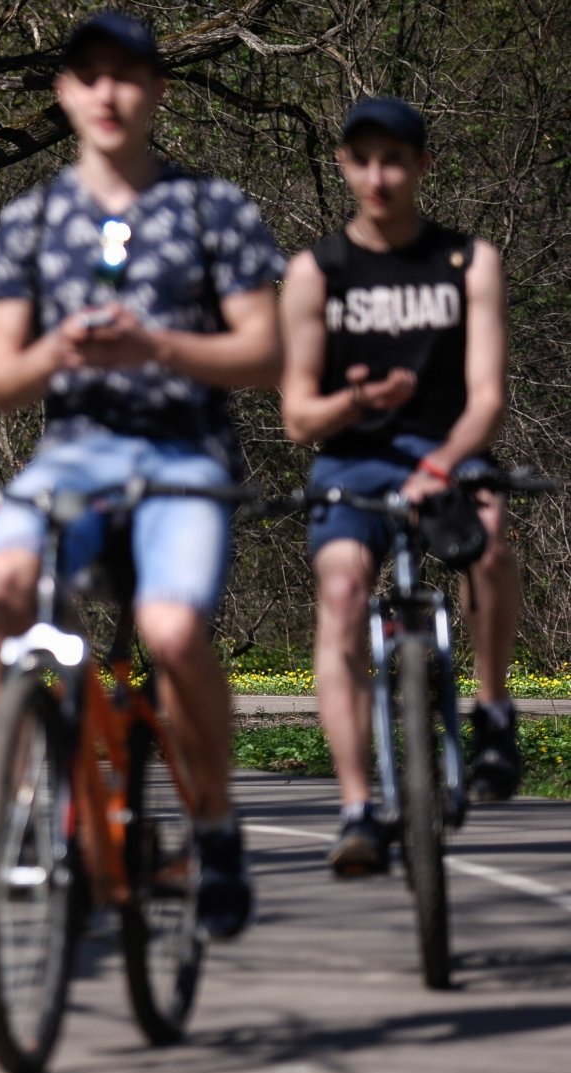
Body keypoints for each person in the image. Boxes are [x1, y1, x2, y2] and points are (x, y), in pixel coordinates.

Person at [0, 11, 284, 939]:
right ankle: (22, 800)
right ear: (64, 91)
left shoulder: (212, 208)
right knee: (4, 589)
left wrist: (156, 343)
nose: (108, 93)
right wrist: (61, 348)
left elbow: (264, 352)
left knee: (172, 626)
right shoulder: (30, 220)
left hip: (184, 454)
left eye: (128, 76)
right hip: (72, 456)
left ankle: (217, 828)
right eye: (89, 75)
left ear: (156, 92)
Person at [280, 97, 520, 876]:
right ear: (345, 166)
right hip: (351, 462)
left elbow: (487, 397)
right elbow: (297, 418)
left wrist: (440, 467)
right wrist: (355, 401)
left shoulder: (467, 261)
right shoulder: (317, 272)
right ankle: (357, 808)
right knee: (343, 595)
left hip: (448, 452)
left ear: (421, 165)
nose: (379, 176)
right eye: (364, 160)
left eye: (395, 160)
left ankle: (491, 712)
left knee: (488, 540)